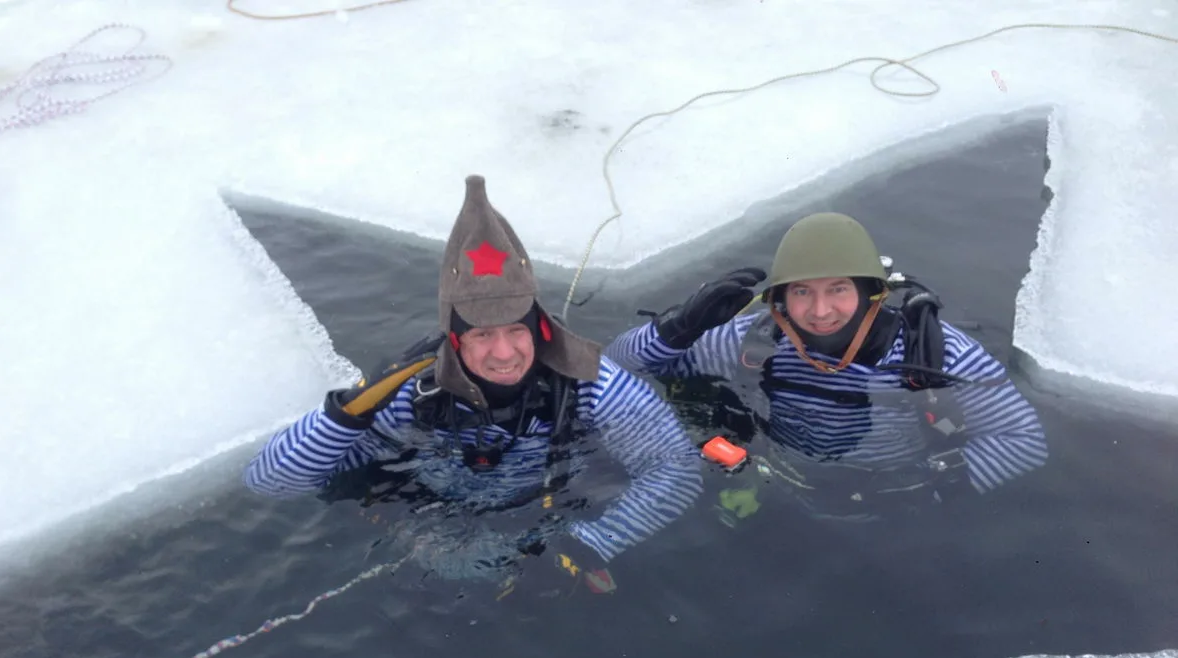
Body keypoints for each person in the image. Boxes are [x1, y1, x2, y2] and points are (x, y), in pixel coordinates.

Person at [244, 175, 703, 592]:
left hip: (561, 512)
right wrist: (346, 414)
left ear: (540, 329)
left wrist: (591, 544)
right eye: (482, 334)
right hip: (443, 525)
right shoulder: (411, 394)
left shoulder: (591, 384)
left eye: (515, 330)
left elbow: (675, 470)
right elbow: (271, 482)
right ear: (455, 337)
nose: (504, 354)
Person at [605, 212, 1048, 522]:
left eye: (838, 289)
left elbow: (1023, 441)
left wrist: (915, 491)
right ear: (780, 298)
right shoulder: (755, 340)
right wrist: (681, 326)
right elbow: (618, 369)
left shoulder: (937, 355)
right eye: (802, 292)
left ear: (873, 292)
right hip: (780, 492)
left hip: (899, 513)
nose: (820, 311)